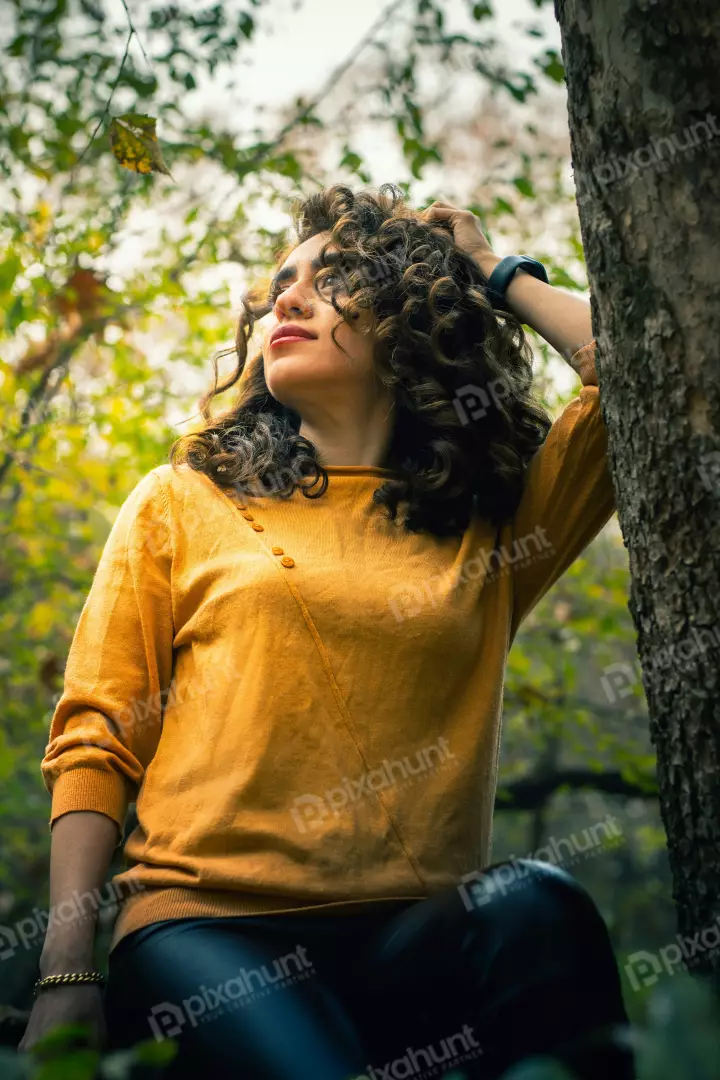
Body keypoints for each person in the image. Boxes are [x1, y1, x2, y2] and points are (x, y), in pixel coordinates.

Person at [20, 184, 636, 1080]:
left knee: (537, 906)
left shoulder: (486, 525)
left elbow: (641, 371)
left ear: (411, 320)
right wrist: (65, 971)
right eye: (281, 283)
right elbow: (96, 734)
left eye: (333, 278)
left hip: (414, 937)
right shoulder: (183, 501)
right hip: (207, 931)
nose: (288, 298)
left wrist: (490, 271)